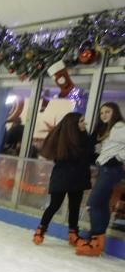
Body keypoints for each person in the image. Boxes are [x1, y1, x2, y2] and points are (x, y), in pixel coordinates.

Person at [32, 113, 92, 246]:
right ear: (73, 125)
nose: (84, 123)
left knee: (74, 206)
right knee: (54, 204)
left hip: (78, 178)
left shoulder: (86, 138)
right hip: (62, 177)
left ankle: (73, 233)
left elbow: (89, 157)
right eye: (81, 121)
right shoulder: (64, 140)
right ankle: (41, 229)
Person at [77, 102, 125, 256]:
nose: (104, 115)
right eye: (102, 112)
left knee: (93, 204)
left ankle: (95, 239)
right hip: (105, 169)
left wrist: (119, 157)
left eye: (107, 112)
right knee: (102, 204)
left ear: (115, 112)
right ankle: (97, 241)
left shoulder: (119, 127)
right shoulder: (109, 129)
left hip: (111, 169)